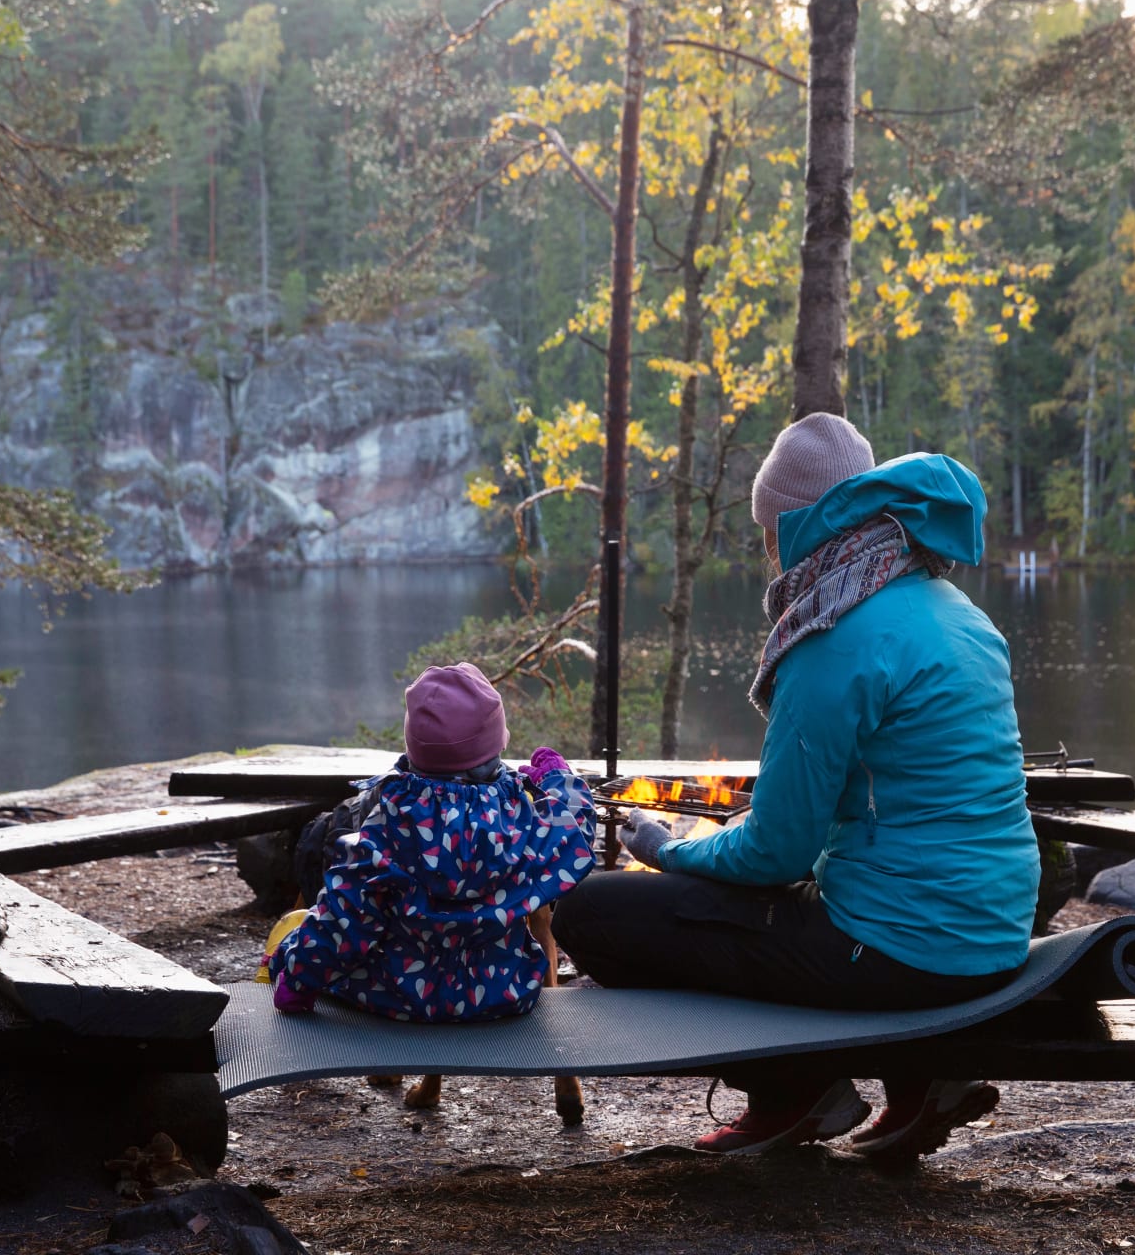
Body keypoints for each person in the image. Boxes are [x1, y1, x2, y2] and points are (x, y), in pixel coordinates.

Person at [552, 413, 1042, 1159]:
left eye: (765, 528)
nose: (765, 546)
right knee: (765, 911)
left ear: (795, 522)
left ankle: (795, 1092)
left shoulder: (834, 632)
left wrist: (668, 848)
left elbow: (777, 855)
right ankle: (923, 1080)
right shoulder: (957, 613)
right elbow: (889, 797)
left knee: (590, 913)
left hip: (899, 950)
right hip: (991, 934)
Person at [268, 662, 597, 1022]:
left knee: (292, 938)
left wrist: (298, 982)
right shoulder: (520, 821)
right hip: (503, 993)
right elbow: (575, 831)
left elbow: (342, 919)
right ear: (496, 744)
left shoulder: (387, 824)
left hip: (395, 996)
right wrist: (558, 777)